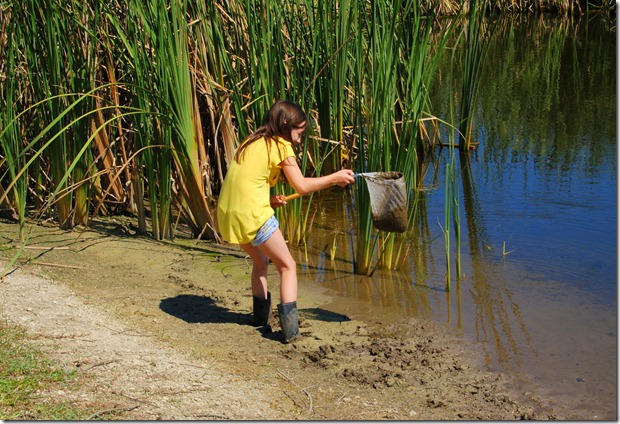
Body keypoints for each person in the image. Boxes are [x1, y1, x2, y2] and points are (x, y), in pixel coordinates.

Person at [216, 100, 355, 343]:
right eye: (299, 133)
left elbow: (245, 183)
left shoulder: (251, 141)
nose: (299, 140)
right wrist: (335, 178)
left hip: (228, 215)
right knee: (288, 266)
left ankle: (259, 319)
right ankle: (290, 332)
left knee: (260, 262)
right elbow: (301, 186)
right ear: (285, 124)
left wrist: (269, 199)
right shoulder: (281, 146)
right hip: (253, 216)